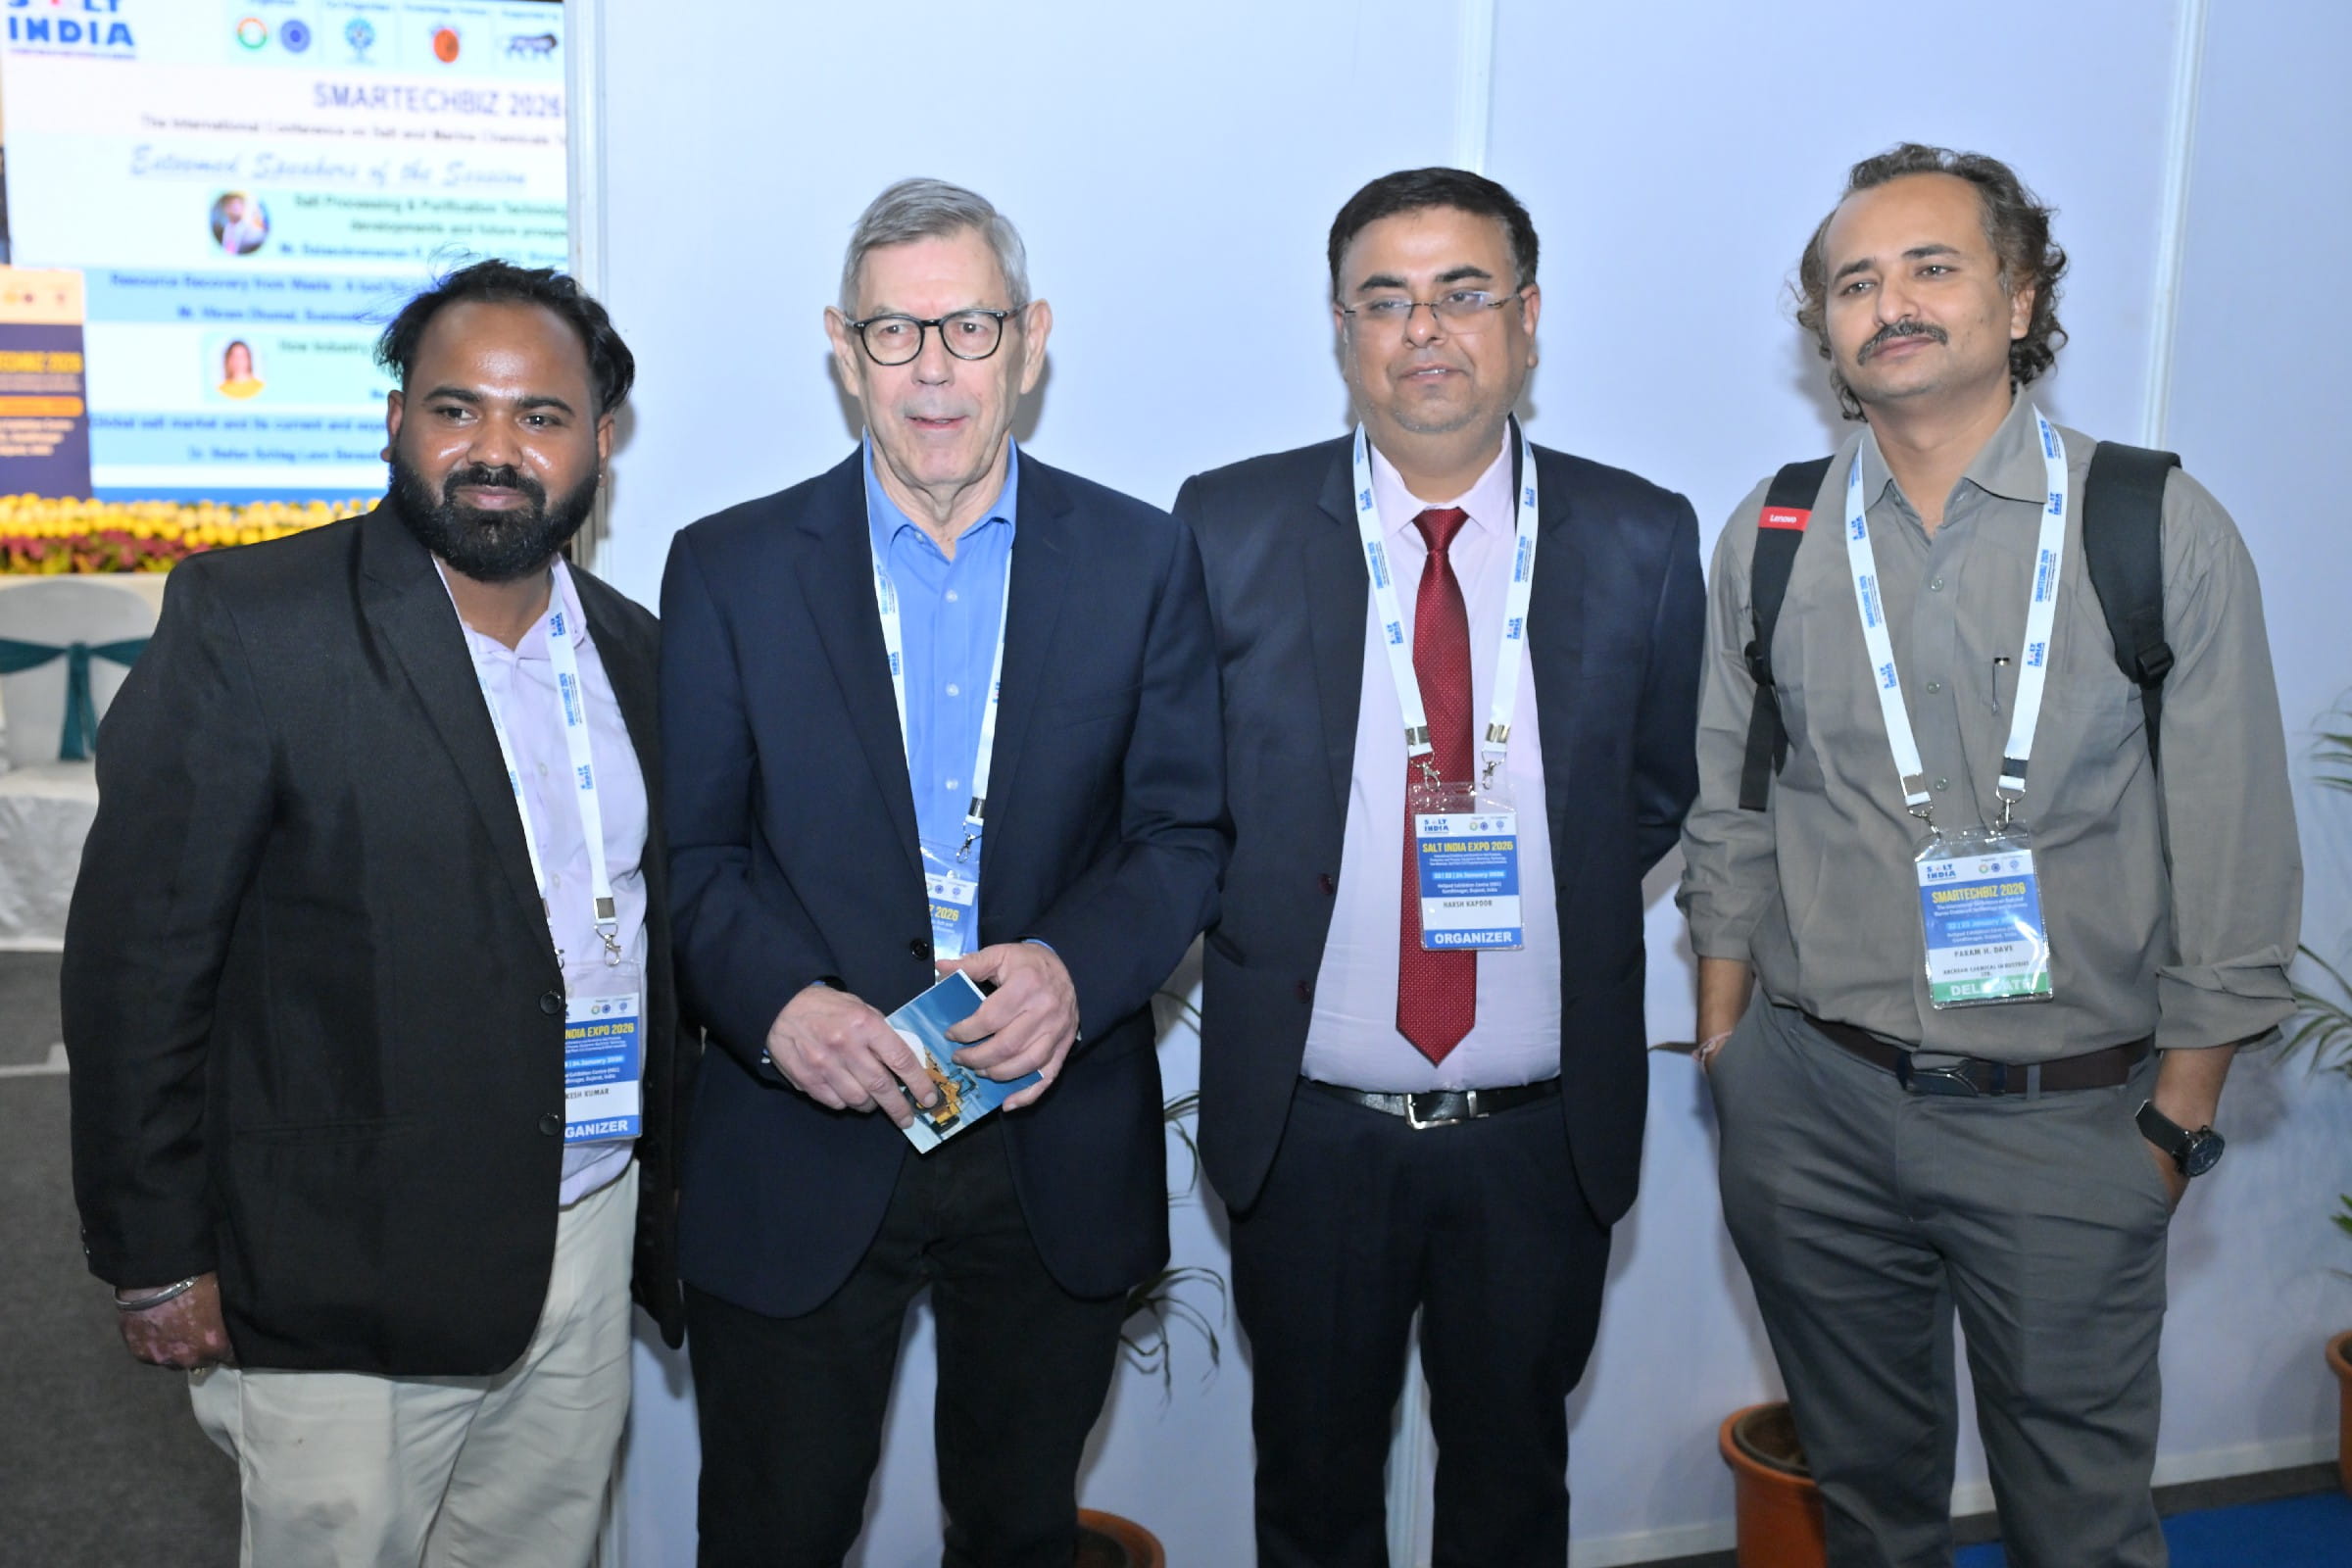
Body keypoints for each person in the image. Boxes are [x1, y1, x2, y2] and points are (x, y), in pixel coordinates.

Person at [1680, 144, 2301, 1567]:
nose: (1889, 302)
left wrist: (2174, 1126)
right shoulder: (1774, 533)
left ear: (2020, 301)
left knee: (2080, 1526)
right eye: (1854, 282)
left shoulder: (2153, 527)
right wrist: (1728, 1049)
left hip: (2069, 1122)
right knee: (1867, 1506)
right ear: (1824, 327)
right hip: (1813, 1108)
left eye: (1932, 267)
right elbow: (1733, 802)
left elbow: (2236, 844)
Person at [65, 259, 688, 1568]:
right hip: (340, 1264)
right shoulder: (256, 623)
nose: (496, 450)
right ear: (397, 421)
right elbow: (142, 961)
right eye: (457, 409)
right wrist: (157, 1251)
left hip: (584, 1230)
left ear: (600, 441)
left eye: (541, 416)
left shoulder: (637, 653)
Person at [661, 177, 1227, 1568]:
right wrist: (780, 1007)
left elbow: (1181, 834)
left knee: (1022, 1533)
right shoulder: (730, 567)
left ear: (1029, 340)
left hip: (1045, 1129)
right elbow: (695, 855)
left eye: (968, 328)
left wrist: (1075, 973)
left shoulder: (1141, 558)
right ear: (842, 347)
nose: (932, 370)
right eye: (894, 332)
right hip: (805, 1133)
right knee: (772, 1538)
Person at [1175, 167, 1705, 1568]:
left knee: (1512, 1496)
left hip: (1539, 1137)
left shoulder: (1642, 537)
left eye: (1463, 293)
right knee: (1312, 1499)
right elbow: (1185, 803)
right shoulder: (1226, 528)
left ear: (1527, 319)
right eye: (1385, 299)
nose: (1425, 330)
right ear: (1341, 331)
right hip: (1310, 1136)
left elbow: (1657, 793)